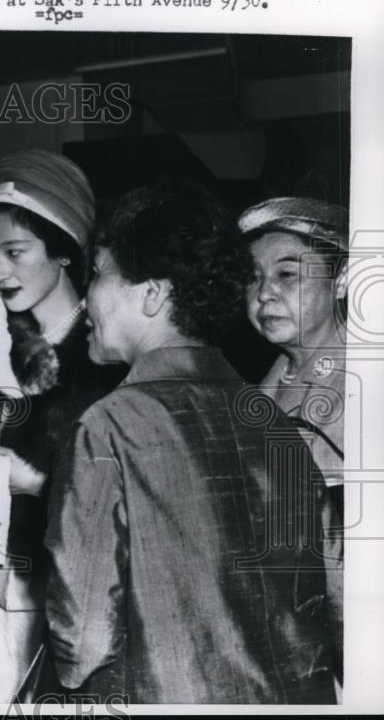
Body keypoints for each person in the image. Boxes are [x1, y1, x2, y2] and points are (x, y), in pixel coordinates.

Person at [43, 184, 336, 703]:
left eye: (99, 274)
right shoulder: (274, 419)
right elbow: (330, 601)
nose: (86, 297)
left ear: (153, 294)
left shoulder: (110, 424)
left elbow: (83, 637)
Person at [0, 149, 121, 702]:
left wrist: (32, 480)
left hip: (67, 609)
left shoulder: (105, 366)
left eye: (14, 251)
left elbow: (124, 509)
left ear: (63, 251)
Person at [239, 196, 348, 685]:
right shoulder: (267, 383)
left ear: (341, 279)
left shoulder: (360, 385)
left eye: (287, 275)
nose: (264, 294)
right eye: (253, 277)